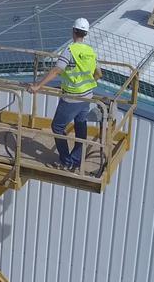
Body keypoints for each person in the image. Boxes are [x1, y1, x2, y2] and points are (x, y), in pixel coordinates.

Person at [27, 18, 102, 172]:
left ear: (73, 31)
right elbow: (98, 74)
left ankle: (66, 161)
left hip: (72, 97)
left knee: (57, 126)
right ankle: (76, 159)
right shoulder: (90, 52)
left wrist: (37, 86)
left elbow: (57, 70)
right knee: (80, 125)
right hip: (86, 95)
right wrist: (85, 82)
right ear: (85, 33)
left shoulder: (70, 50)